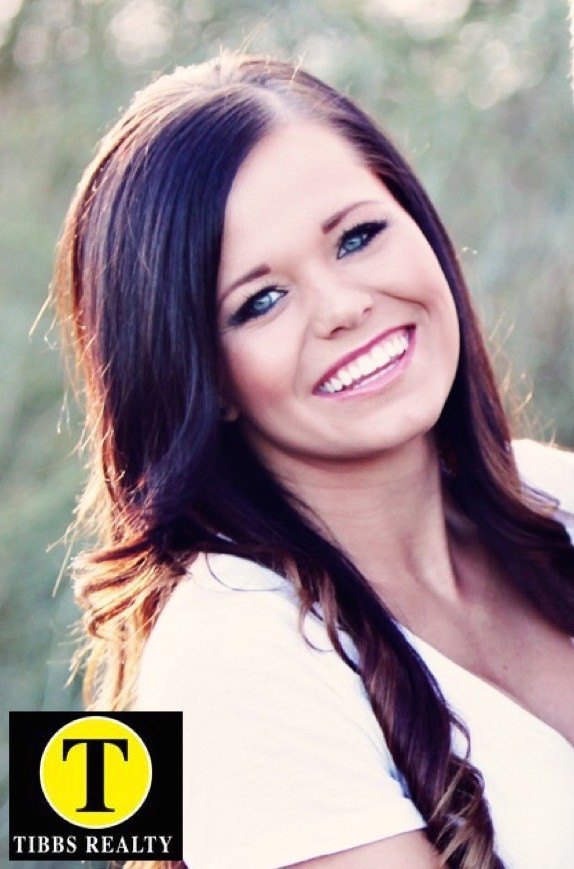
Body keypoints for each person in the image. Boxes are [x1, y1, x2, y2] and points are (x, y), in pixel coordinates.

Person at [51, 53, 574, 869]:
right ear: (200, 375)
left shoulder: (550, 491)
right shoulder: (233, 652)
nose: (343, 307)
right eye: (260, 301)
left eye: (358, 237)